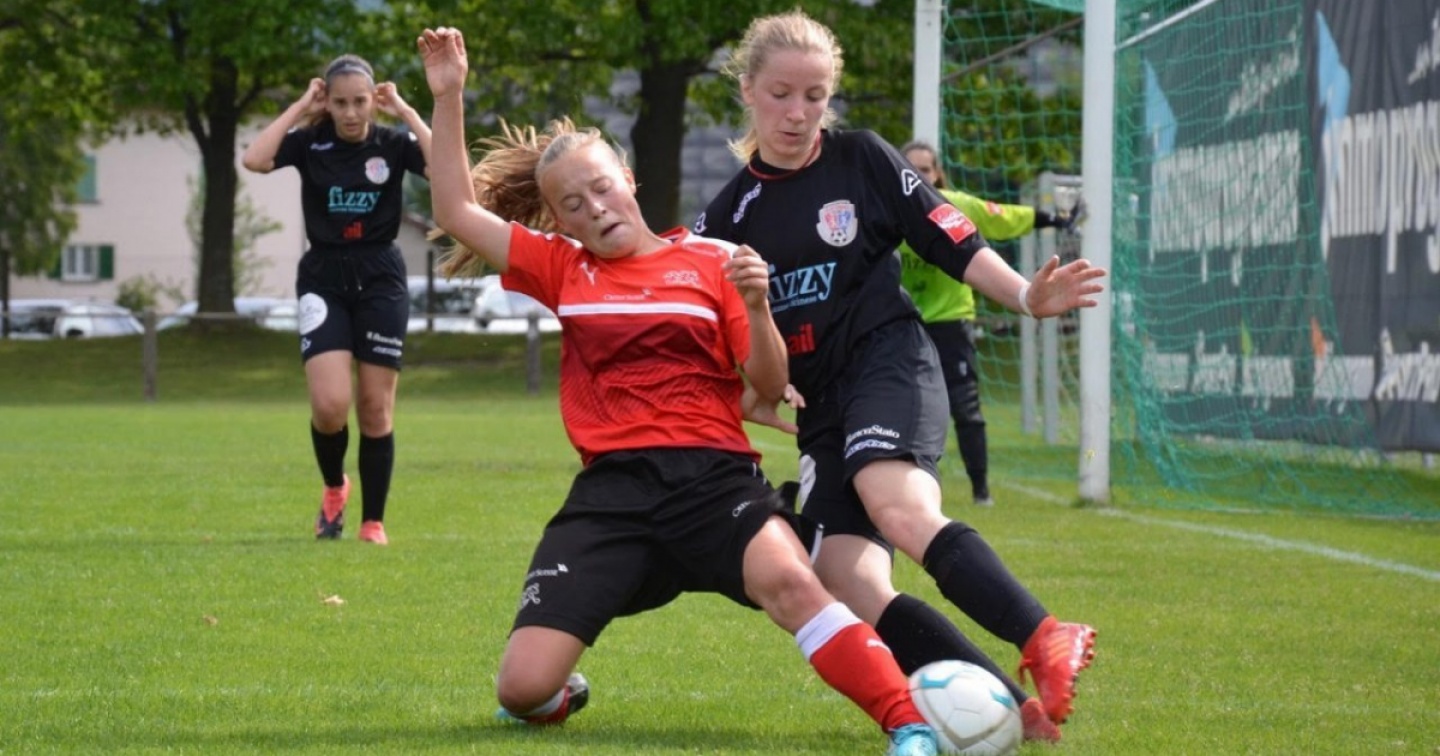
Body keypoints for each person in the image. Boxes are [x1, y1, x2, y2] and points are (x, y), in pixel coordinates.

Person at [417, 26, 940, 755]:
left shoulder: (713, 260)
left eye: (602, 187)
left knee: (797, 588)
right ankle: (558, 692)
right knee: (521, 689)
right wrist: (449, 96)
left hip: (713, 482)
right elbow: (455, 212)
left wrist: (757, 304)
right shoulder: (563, 268)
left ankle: (909, 723)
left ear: (628, 179)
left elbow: (769, 384)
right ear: (559, 220)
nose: (594, 208)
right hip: (612, 495)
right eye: (573, 204)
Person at [695, 9, 1105, 733]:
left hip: (889, 363)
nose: (798, 113)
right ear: (749, 90)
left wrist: (1024, 296)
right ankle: (1012, 711)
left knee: (896, 506)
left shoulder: (862, 159)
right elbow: (701, 328)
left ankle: (1044, 633)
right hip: (822, 407)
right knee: (845, 580)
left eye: (815, 95)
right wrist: (747, 392)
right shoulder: (727, 217)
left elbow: (951, 238)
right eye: (782, 94)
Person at [241, 54, 432, 546]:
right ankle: (334, 487)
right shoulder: (311, 142)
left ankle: (373, 523)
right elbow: (255, 159)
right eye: (340, 102)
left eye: (360, 102)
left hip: (380, 277)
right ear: (328, 102)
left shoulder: (393, 144)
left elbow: (449, 170)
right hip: (323, 277)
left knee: (374, 408)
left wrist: (408, 113)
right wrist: (300, 107)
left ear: (374, 101)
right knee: (329, 407)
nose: (350, 113)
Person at [897, 139, 1081, 507]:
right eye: (912, 169)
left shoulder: (957, 207)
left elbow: (1006, 217)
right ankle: (902, 489)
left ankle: (980, 490)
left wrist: (1056, 219)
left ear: (938, 174)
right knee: (900, 409)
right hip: (902, 324)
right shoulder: (886, 210)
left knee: (965, 408)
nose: (921, 176)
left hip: (951, 322)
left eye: (926, 169)